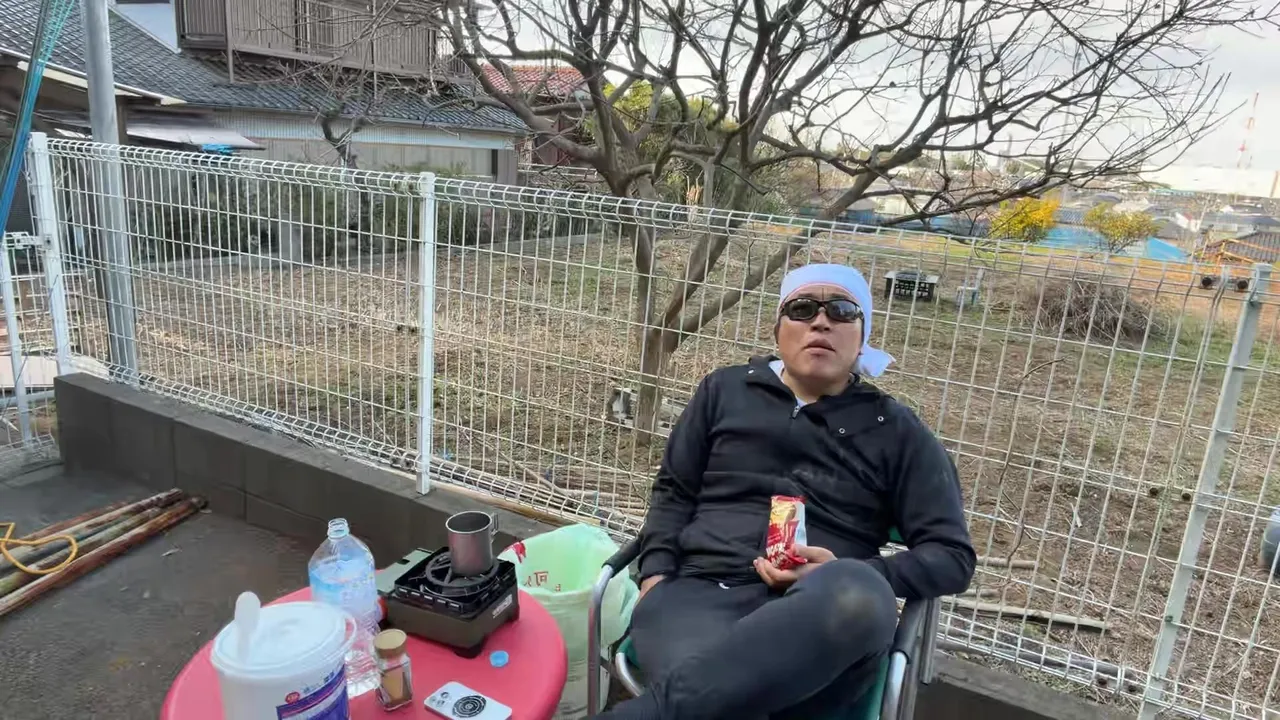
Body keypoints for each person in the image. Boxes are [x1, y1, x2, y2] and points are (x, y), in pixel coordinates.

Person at [598, 263, 976, 720]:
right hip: (697, 595)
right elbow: (675, 490)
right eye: (802, 309)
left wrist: (852, 571)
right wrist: (656, 573)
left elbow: (952, 556)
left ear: (862, 338)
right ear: (778, 330)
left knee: (859, 591)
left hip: (822, 621)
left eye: (842, 311)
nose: (821, 322)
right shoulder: (724, 391)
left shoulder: (896, 431)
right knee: (721, 694)